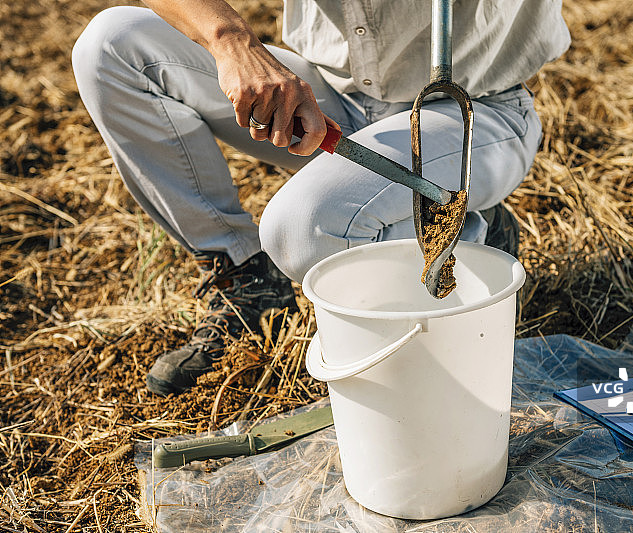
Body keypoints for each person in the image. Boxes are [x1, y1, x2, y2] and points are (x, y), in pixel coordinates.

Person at [71, 0, 570, 396]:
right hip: (326, 96)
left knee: (301, 230)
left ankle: (468, 231)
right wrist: (230, 41)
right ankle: (246, 276)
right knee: (112, 44)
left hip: (470, 111)